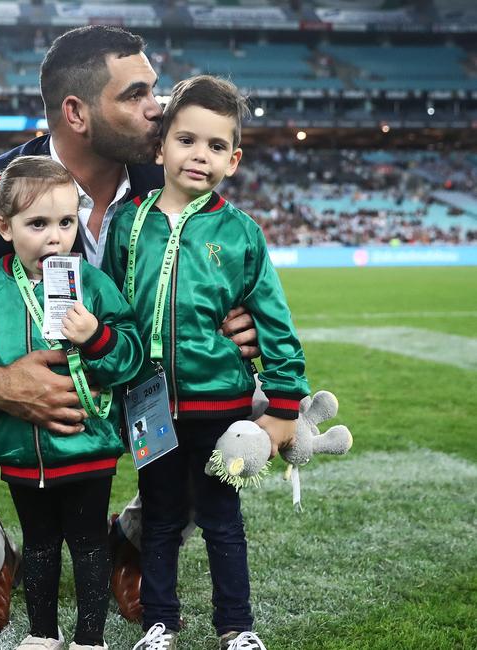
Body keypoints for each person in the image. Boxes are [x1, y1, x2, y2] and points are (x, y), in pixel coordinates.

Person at [0, 26, 259, 639]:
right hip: (25, 397)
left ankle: (133, 546)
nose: (157, 109)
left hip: (141, 377)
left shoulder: (177, 179)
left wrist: (242, 325)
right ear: (76, 112)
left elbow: (232, 279)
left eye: (154, 91)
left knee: (245, 416)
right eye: (135, 95)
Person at [102, 75, 310, 650]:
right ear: (161, 146)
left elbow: (274, 321)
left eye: (217, 146)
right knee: (162, 518)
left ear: (234, 160)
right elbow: (113, 310)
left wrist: (287, 403)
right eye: (188, 140)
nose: (200, 155)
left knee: (222, 517)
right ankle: (159, 624)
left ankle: (236, 628)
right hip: (151, 410)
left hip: (223, 408)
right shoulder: (127, 223)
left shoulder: (242, 234)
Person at [0, 155, 143, 650]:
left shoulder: (93, 285)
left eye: (65, 222)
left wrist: (97, 337)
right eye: (37, 224)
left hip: (88, 447)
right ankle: (42, 634)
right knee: (38, 547)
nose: (55, 237)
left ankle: (89, 639)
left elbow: (132, 352)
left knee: (86, 545)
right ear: (4, 227)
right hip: (21, 450)